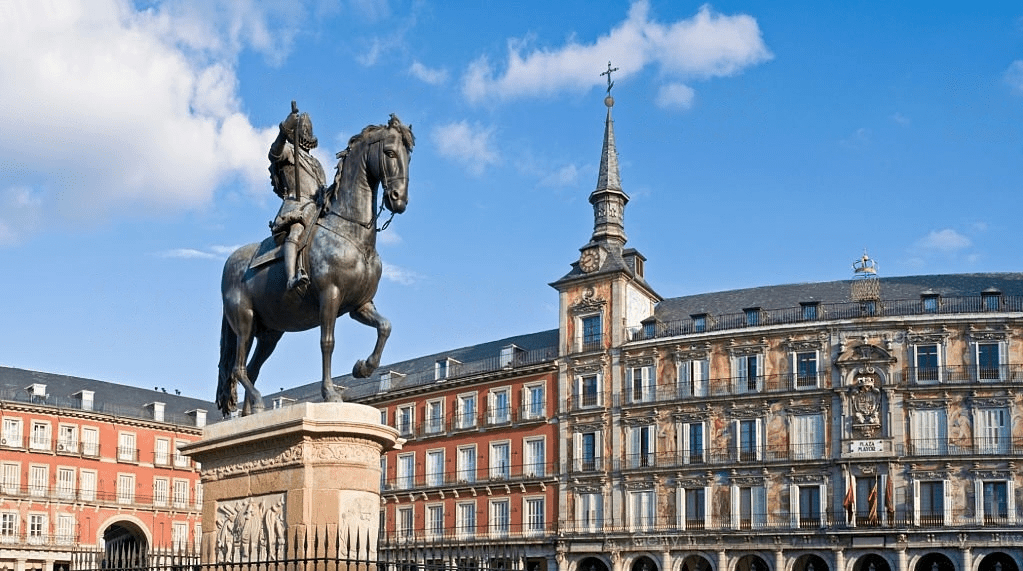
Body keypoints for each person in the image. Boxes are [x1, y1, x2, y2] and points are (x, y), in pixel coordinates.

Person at [269, 101, 327, 291]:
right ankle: (291, 278)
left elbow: (322, 188)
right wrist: (284, 130)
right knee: (296, 229)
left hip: (316, 209)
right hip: (295, 207)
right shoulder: (289, 151)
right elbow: (274, 154)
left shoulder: (317, 164)